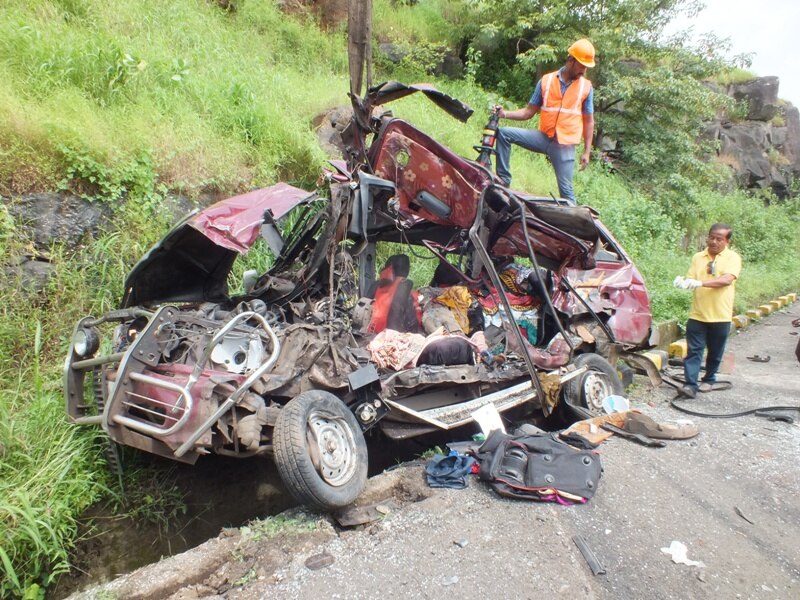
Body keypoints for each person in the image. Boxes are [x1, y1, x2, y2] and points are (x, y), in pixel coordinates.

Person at [494, 38, 596, 204]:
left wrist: (586, 151)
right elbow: (528, 112)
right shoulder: (546, 81)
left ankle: (572, 228)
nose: (584, 71)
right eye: (582, 65)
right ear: (571, 60)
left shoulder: (586, 88)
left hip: (564, 146)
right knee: (504, 134)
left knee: (567, 196)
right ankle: (503, 180)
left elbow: (589, 121)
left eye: (586, 67)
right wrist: (504, 114)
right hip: (544, 138)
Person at [673, 224, 742, 399]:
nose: (714, 241)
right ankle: (690, 385)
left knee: (715, 351)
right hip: (698, 313)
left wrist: (701, 283)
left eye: (719, 239)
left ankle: (709, 379)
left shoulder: (732, 258)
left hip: (720, 315)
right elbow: (692, 278)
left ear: (727, 241)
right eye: (712, 237)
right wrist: (684, 282)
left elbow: (727, 279)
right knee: (694, 351)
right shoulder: (698, 257)